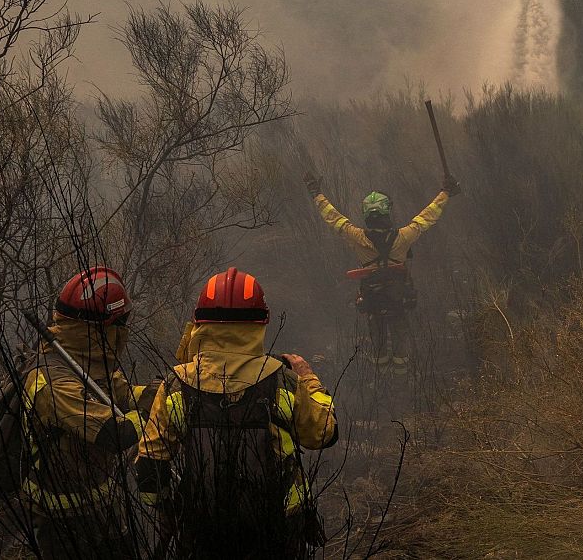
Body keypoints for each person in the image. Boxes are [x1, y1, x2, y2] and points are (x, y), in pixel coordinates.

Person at [136, 268, 339, 559]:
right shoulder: (283, 381)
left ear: (199, 324)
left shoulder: (177, 385)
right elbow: (324, 434)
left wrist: (169, 511)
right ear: (261, 323)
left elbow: (148, 467)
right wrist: (309, 378)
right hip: (278, 527)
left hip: (203, 529)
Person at [21, 266, 147, 560]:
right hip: (61, 522)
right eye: (122, 322)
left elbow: (125, 394)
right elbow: (112, 433)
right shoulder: (52, 383)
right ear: (103, 327)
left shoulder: (88, 363)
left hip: (102, 508)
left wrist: (164, 392)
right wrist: (154, 419)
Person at [305, 173, 459, 372]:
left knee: (378, 344)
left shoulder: (357, 237)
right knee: (400, 340)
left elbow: (333, 218)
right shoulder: (403, 237)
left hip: (373, 301)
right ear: (387, 212)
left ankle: (381, 376)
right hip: (398, 300)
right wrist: (445, 193)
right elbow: (427, 217)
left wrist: (316, 194)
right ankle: (402, 377)